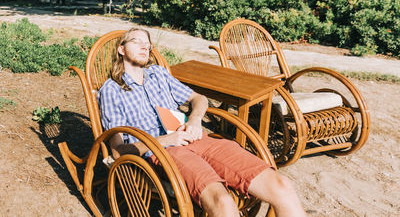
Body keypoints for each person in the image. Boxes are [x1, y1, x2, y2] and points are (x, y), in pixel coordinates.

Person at [98, 28, 306, 217]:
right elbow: (118, 151)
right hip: (162, 152)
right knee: (222, 201)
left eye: (148, 43)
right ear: (121, 50)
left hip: (196, 137)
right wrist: (166, 139)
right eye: (137, 41)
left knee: (281, 185)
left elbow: (199, 99)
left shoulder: (158, 74)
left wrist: (195, 120)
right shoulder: (111, 90)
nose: (145, 46)